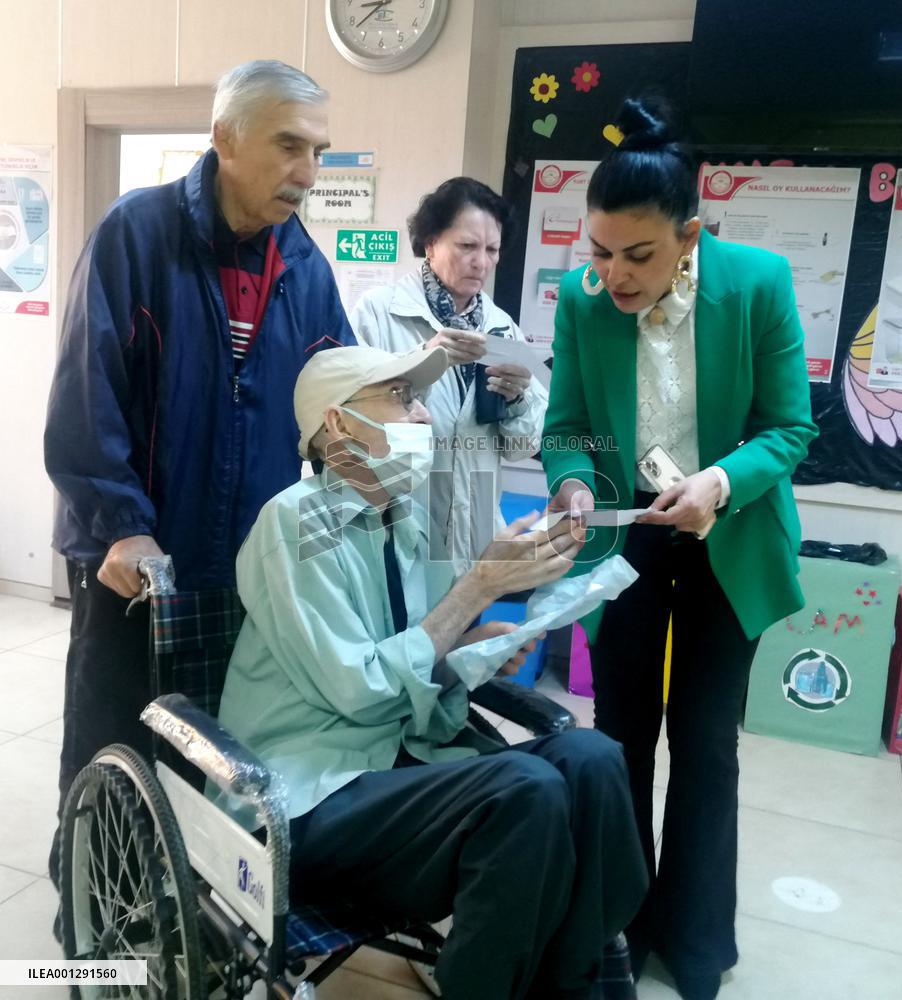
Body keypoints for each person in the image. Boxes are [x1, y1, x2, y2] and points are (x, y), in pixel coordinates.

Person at [215, 344, 648, 1000]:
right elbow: (359, 692)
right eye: (400, 396)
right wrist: (475, 590)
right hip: (307, 795)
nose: (423, 415)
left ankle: (570, 985)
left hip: (397, 768)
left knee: (592, 759)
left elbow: (425, 656)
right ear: (337, 427)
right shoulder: (299, 524)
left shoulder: (408, 520)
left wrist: (473, 646)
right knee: (524, 789)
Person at [43, 60, 355, 882]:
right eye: (290, 145)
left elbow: (330, 400)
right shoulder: (135, 235)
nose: (308, 172)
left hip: (248, 565)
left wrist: (365, 439)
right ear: (223, 137)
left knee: (217, 747)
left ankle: (189, 903)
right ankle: (94, 909)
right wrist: (121, 524)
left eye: (319, 151)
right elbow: (86, 392)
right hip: (135, 562)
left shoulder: (306, 268)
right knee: (116, 739)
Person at [541, 98, 817, 1000]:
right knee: (617, 739)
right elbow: (569, 426)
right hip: (627, 540)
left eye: (639, 255)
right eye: (598, 252)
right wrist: (574, 482)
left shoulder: (758, 284)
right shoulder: (586, 304)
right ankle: (613, 923)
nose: (613, 275)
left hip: (725, 539)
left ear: (690, 235)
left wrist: (719, 484)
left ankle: (694, 941)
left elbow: (788, 427)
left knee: (706, 745)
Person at [350, 177, 547, 572]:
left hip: (473, 540)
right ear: (430, 242)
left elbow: (521, 447)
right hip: (398, 527)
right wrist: (423, 360)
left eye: (492, 250)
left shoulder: (502, 327)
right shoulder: (377, 312)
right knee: (406, 631)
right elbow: (352, 420)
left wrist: (518, 400)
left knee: (470, 631)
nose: (482, 262)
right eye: (467, 246)